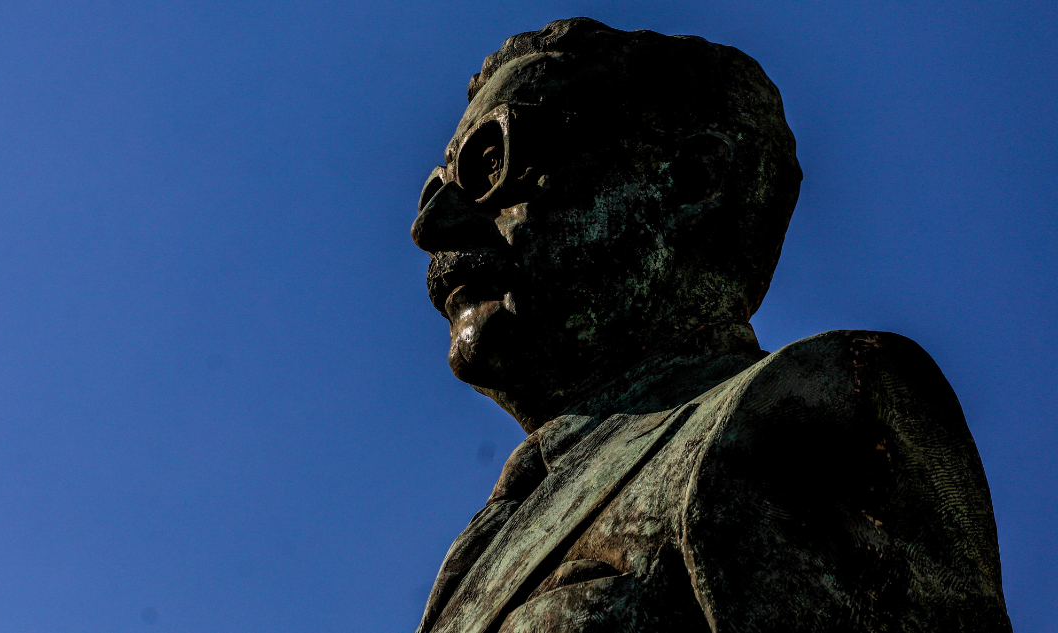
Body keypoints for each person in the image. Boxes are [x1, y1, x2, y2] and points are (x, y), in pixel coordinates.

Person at [409, 17, 1011, 633]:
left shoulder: (810, 408)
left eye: (492, 163)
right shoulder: (473, 560)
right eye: (437, 190)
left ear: (691, 180)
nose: (431, 229)